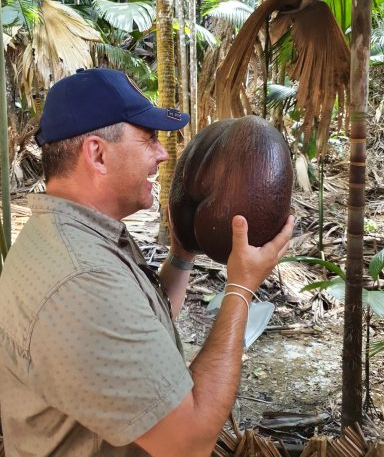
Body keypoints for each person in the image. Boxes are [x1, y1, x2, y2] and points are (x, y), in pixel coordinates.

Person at [0, 68, 294, 457]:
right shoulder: (81, 280)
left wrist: (181, 255)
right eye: (149, 138)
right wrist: (241, 288)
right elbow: (189, 442)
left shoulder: (73, 237)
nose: (161, 153)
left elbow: (137, 330)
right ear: (97, 154)